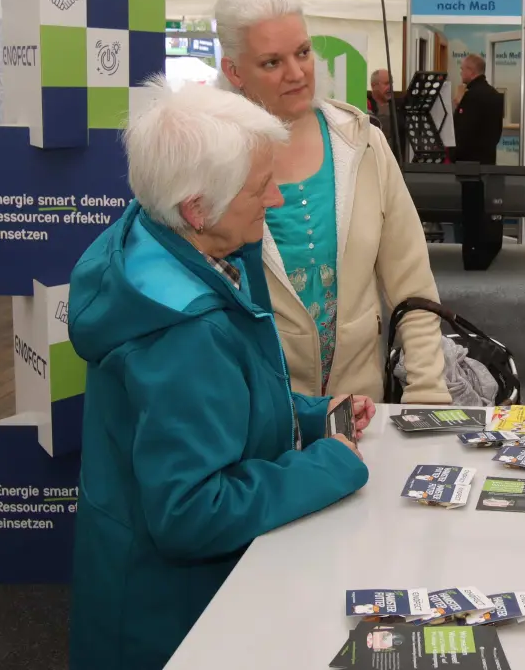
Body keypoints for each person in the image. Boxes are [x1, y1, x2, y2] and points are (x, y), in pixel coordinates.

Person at [67, 79, 370, 669]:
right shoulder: (182, 330)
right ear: (197, 208)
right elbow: (192, 511)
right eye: (261, 188)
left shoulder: (165, 244)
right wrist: (329, 462)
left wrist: (308, 416)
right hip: (176, 625)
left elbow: (210, 412)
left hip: (146, 591)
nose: (278, 199)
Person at [214, 0, 449, 404]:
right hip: (253, 421)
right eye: (271, 62)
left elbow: (411, 280)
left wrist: (427, 391)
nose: (296, 73)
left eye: (302, 52)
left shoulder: (361, 144)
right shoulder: (209, 162)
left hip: (361, 413)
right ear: (234, 72)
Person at [455, 53, 505, 164]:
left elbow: (461, 131)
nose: (460, 72)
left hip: (469, 164)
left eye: (462, 69)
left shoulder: (471, 96)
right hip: (488, 160)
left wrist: (459, 105)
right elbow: (497, 131)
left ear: (472, 72)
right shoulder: (495, 94)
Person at [367, 68, 403, 159]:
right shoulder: (366, 105)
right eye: (386, 84)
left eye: (391, 83)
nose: (390, 87)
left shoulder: (398, 107)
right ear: (373, 86)